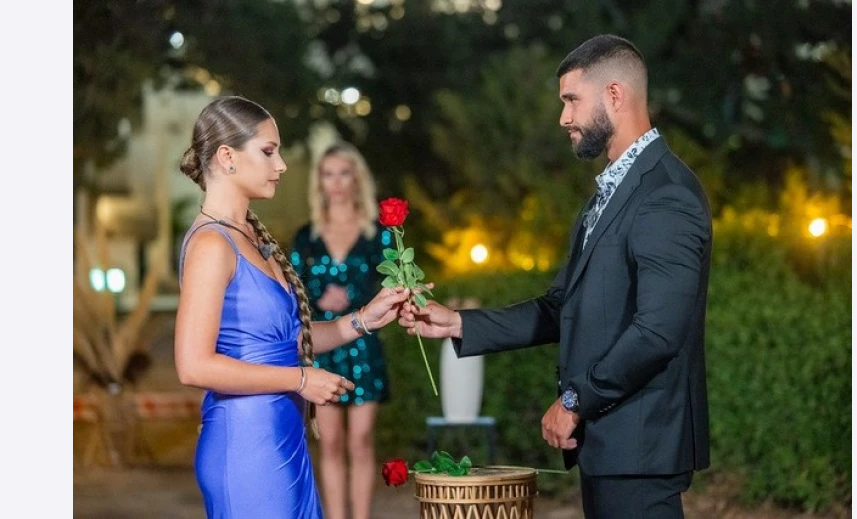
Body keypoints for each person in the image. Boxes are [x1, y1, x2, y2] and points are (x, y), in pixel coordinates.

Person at [399, 34, 713, 518]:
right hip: (610, 447)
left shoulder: (665, 194)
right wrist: (458, 323)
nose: (564, 117)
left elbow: (658, 331)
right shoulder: (607, 196)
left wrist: (574, 400)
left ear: (614, 94)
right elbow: (561, 308)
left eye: (572, 100)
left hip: (641, 447)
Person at [173, 95, 409, 519]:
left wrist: (361, 320)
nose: (281, 165)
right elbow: (193, 366)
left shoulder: (248, 235)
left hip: (283, 441)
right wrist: (300, 379)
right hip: (246, 446)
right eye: (268, 151)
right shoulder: (211, 244)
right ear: (227, 157)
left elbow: (288, 342)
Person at [289, 141, 391, 519]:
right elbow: (292, 288)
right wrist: (319, 299)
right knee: (329, 442)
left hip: (364, 347)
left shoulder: (378, 235)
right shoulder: (306, 236)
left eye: (343, 173)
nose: (335, 182)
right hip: (322, 345)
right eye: (328, 174)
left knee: (361, 441)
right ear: (319, 181)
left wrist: (355, 298)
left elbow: (390, 285)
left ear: (356, 178)